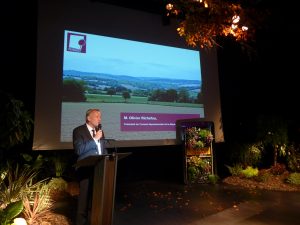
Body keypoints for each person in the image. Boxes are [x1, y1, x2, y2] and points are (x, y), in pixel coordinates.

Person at [73, 108, 108, 225]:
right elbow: (79, 150)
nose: (100, 119)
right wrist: (95, 139)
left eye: (100, 116)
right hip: (85, 169)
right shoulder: (78, 131)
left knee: (96, 199)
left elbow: (103, 148)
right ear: (89, 118)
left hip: (99, 169)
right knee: (83, 200)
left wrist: (107, 157)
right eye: (97, 116)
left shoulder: (100, 131)